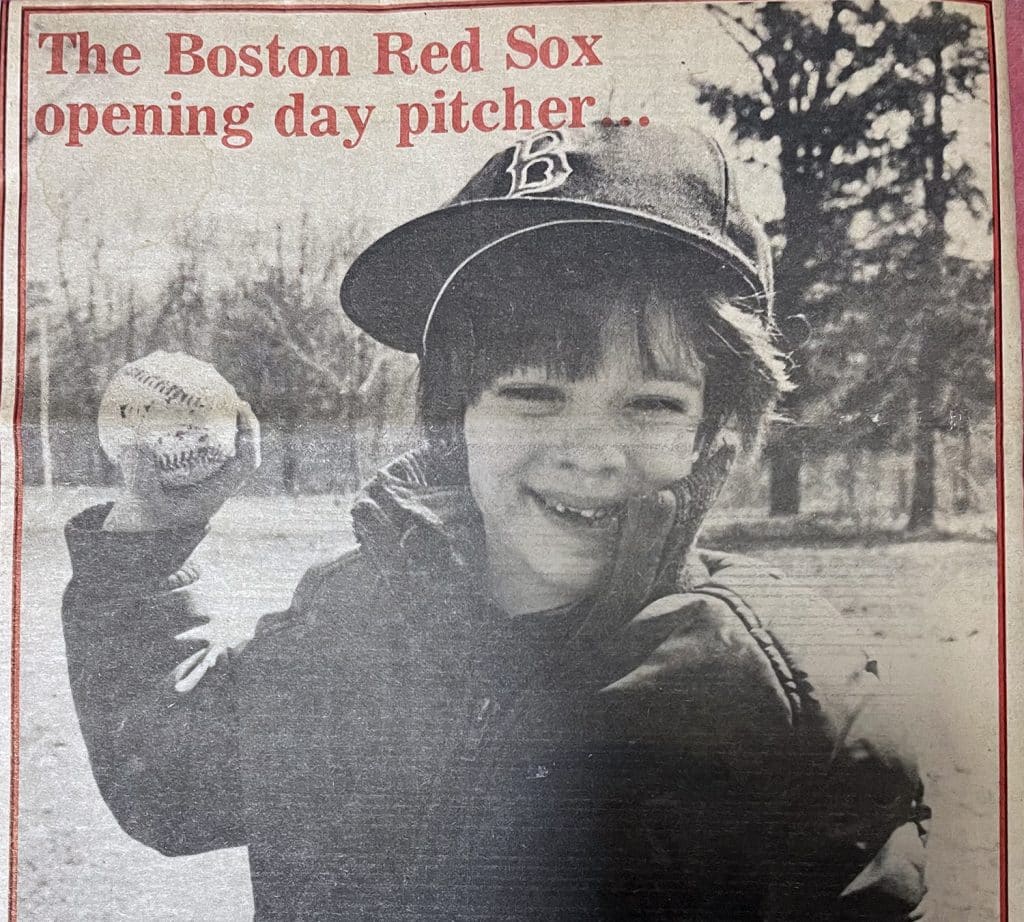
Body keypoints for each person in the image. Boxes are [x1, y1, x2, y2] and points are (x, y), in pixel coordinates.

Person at [62, 124, 929, 921]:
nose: (588, 453)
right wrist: (148, 535)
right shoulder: (350, 625)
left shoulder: (776, 694)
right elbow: (172, 786)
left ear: (719, 434)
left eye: (651, 405)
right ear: (455, 416)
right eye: (531, 395)